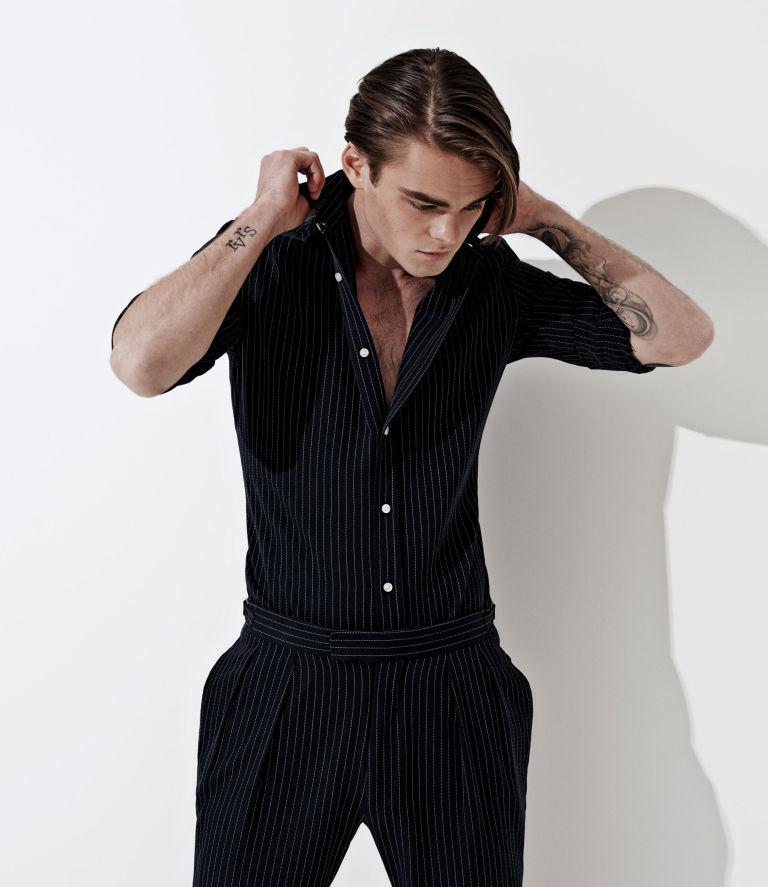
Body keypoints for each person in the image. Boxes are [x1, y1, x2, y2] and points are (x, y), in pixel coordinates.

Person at [110, 48, 713, 887]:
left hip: (451, 684)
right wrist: (259, 215)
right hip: (288, 678)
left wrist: (541, 217)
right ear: (356, 165)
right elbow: (140, 363)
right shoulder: (271, 262)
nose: (445, 233)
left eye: (469, 208)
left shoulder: (489, 283)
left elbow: (680, 337)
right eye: (423, 203)